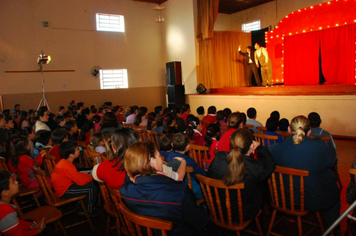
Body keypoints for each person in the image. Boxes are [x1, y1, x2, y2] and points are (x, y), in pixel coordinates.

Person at [269, 115, 340, 235]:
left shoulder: (274, 149)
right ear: (310, 131)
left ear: (289, 130)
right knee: (334, 195)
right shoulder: (320, 146)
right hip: (315, 199)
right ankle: (334, 230)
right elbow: (331, 162)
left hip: (284, 198)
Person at [120, 141, 209, 236]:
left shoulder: (125, 191)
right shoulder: (179, 193)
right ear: (152, 161)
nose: (161, 160)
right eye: (159, 156)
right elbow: (201, 222)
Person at [208, 128, 275, 222]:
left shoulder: (218, 158)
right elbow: (270, 165)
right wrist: (260, 148)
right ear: (252, 146)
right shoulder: (255, 167)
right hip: (243, 214)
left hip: (218, 210)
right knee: (262, 186)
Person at [51, 141, 99, 217]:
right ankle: (88, 211)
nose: (79, 150)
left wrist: (88, 175)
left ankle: (81, 205)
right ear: (71, 155)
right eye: (77, 150)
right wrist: (92, 176)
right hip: (64, 191)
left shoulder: (64, 162)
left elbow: (76, 175)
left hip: (64, 187)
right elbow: (81, 182)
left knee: (89, 182)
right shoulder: (67, 166)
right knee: (92, 187)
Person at [0, 171, 45, 235]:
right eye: (13, 182)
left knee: (30, 221)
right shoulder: (6, 213)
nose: (16, 182)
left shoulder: (3, 205)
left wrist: (30, 226)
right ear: (5, 193)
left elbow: (16, 221)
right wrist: (38, 231)